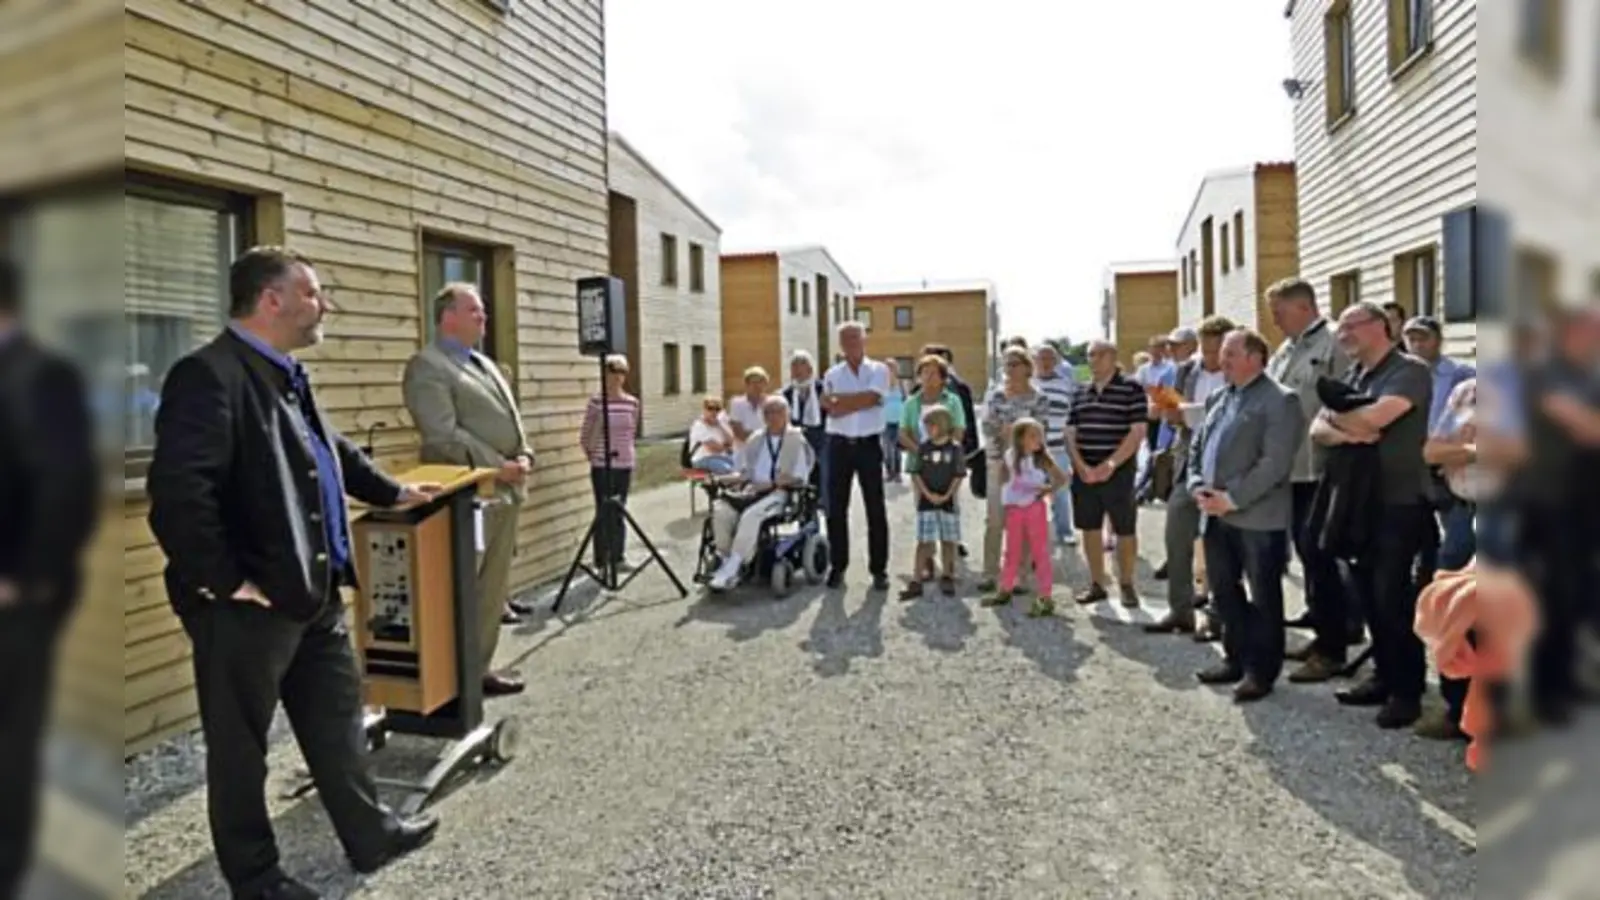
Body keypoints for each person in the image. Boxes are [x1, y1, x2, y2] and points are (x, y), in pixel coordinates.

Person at [146, 247, 442, 899]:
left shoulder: (286, 374)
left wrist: (392, 491)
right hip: (245, 606)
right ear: (271, 300)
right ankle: (256, 880)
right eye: (312, 293)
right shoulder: (209, 375)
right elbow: (177, 496)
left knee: (337, 724)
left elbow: (331, 453)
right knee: (240, 749)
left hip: (313, 592)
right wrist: (227, 581)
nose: (323, 305)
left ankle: (371, 835)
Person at [0, 257, 99, 900]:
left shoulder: (43, 377)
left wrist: (26, 581)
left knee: (9, 745)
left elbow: (66, 489)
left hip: (16, 604)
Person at [402, 282, 533, 696]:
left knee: (491, 590)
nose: (483, 317)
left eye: (483, 310)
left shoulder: (485, 363)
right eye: (474, 310)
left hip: (505, 491)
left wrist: (524, 454)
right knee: (459, 590)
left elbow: (510, 417)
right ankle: (448, 681)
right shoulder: (428, 366)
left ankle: (477, 672)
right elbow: (442, 433)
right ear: (448, 316)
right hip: (468, 496)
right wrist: (497, 465)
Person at [1311, 300, 1434, 728]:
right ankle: (1383, 675)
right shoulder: (1355, 375)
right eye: (1340, 328)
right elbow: (1317, 428)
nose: (1342, 335)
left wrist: (1342, 420)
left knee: (1393, 597)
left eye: (1351, 326)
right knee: (1366, 593)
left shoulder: (1409, 370)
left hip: (1400, 502)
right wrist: (1349, 430)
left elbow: (1378, 419)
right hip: (1358, 501)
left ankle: (1406, 691)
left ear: (1380, 327)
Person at [1187, 329, 1305, 702]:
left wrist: (1233, 498)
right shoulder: (1221, 397)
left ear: (1255, 358)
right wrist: (1196, 484)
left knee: (1264, 596)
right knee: (1224, 590)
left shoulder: (1281, 400)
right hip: (1214, 513)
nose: (1222, 361)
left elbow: (1274, 463)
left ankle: (1261, 672)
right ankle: (1235, 659)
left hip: (1258, 517)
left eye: (1231, 354)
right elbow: (1198, 446)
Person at [1264, 277, 1355, 683]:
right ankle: (1323, 634)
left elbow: (1350, 401)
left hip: (1322, 467)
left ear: (1303, 307)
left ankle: (1333, 648)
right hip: (1293, 468)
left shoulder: (1336, 342)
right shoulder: (1286, 349)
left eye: (1279, 312)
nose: (1275, 321)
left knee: (1321, 555)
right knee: (1309, 555)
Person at [1146, 315, 1234, 636]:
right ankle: (1180, 610)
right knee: (1176, 536)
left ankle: (1218, 615)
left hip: (1227, 467)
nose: (1209, 358)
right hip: (1190, 463)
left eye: (1215, 352)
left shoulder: (1238, 373)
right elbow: (1169, 414)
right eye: (1205, 350)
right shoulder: (1186, 371)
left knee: (1220, 546)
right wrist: (1173, 413)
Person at [1066, 340, 1148, 607]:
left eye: (1100, 355)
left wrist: (1110, 465)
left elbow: (1137, 431)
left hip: (1119, 472)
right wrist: (1080, 465)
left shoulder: (1131, 388)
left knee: (1124, 528)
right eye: (1090, 355)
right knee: (1089, 528)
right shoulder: (1079, 391)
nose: (1094, 359)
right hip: (1085, 472)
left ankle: (1126, 584)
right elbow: (1070, 432)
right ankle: (1097, 583)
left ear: (1113, 357)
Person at [704, 396, 814, 591]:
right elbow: (744, 473)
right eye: (768, 413)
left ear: (787, 414)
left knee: (751, 515)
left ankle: (735, 565)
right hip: (751, 490)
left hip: (779, 493)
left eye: (777, 412)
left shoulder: (796, 440)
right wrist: (720, 479)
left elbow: (799, 478)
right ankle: (725, 556)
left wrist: (771, 484)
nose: (772, 417)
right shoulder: (756, 439)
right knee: (721, 509)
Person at [1401, 315, 1476, 584]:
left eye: (1423, 338)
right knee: (1421, 533)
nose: (1417, 344)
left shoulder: (1460, 375)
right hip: (1417, 460)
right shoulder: (1402, 374)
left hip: (1449, 467)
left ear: (1439, 340)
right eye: (1411, 339)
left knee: (1455, 545)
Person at [821, 322, 893, 591]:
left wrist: (843, 402)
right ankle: (838, 566)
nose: (851, 342)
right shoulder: (832, 373)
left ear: (864, 339)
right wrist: (858, 401)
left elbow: (872, 399)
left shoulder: (879, 370)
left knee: (875, 507)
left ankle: (879, 569)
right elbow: (829, 407)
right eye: (846, 339)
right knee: (836, 509)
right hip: (838, 445)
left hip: (868, 444)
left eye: (855, 337)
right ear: (840, 343)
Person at [978, 347, 1050, 593]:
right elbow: (987, 426)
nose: (1009, 369)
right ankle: (990, 573)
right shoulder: (996, 396)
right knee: (995, 519)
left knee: (1023, 521)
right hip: (998, 462)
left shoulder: (1039, 398)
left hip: (1027, 467)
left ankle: (1020, 575)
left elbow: (1041, 431)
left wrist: (1015, 433)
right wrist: (1008, 433)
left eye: (1014, 364)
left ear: (1027, 367)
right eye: (1006, 364)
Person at [983, 417, 1067, 617]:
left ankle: (1045, 596)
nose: (1038, 440)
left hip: (1034, 508)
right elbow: (1005, 478)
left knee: (1040, 552)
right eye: (1033, 436)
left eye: (1040, 436)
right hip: (1014, 509)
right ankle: (1005, 588)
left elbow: (1062, 478)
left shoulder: (1042, 458)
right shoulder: (1011, 456)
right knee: (1012, 551)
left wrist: (1048, 489)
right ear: (1020, 438)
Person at [579, 354, 641, 575]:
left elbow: (631, 433)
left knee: (619, 510)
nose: (617, 376)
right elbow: (585, 437)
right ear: (604, 373)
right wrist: (594, 454)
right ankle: (602, 560)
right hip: (602, 464)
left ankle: (618, 557)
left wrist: (630, 456)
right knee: (604, 510)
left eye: (622, 371)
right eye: (613, 370)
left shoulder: (632, 403)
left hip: (624, 463)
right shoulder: (597, 402)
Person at [901, 404, 965, 600]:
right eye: (926, 426)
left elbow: (959, 475)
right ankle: (916, 578)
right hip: (926, 500)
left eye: (931, 425)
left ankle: (948, 574)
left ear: (942, 425)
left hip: (947, 500)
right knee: (924, 540)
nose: (928, 429)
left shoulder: (955, 449)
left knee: (948, 540)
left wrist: (947, 495)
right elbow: (916, 473)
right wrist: (927, 494)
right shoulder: (924, 448)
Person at [1032, 343, 1079, 546]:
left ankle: (1064, 531)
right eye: (1041, 358)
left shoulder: (1066, 384)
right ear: (1034, 361)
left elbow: (1074, 414)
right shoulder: (1028, 383)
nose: (1045, 363)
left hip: (1058, 446)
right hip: (1032, 449)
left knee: (1061, 490)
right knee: (1032, 490)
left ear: (1056, 361)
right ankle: (1034, 533)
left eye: (1050, 358)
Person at [782, 350, 829, 506]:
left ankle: (823, 506)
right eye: (794, 366)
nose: (797, 370)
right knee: (801, 477)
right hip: (798, 441)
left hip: (822, 440)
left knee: (824, 476)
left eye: (800, 365)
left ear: (810, 369)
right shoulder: (787, 393)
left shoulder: (822, 389)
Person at [687, 396, 738, 475]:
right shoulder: (699, 426)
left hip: (720, 456)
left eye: (717, 409)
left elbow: (731, 441)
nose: (714, 412)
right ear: (704, 409)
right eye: (710, 408)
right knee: (728, 470)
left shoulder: (719, 423)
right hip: (702, 458)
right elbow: (713, 448)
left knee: (743, 466)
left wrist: (720, 426)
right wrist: (727, 448)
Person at [727, 365, 769, 446]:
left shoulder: (772, 403)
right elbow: (739, 433)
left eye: (760, 381)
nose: (756, 385)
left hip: (766, 450)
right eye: (752, 382)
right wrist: (765, 435)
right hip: (743, 451)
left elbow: (778, 431)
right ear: (746, 384)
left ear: (766, 383)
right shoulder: (736, 403)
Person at [882, 378, 906, 482]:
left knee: (897, 450)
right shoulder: (882, 387)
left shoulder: (901, 386)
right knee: (887, 449)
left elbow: (906, 401)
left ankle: (897, 473)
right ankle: (889, 473)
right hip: (885, 422)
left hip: (899, 422)